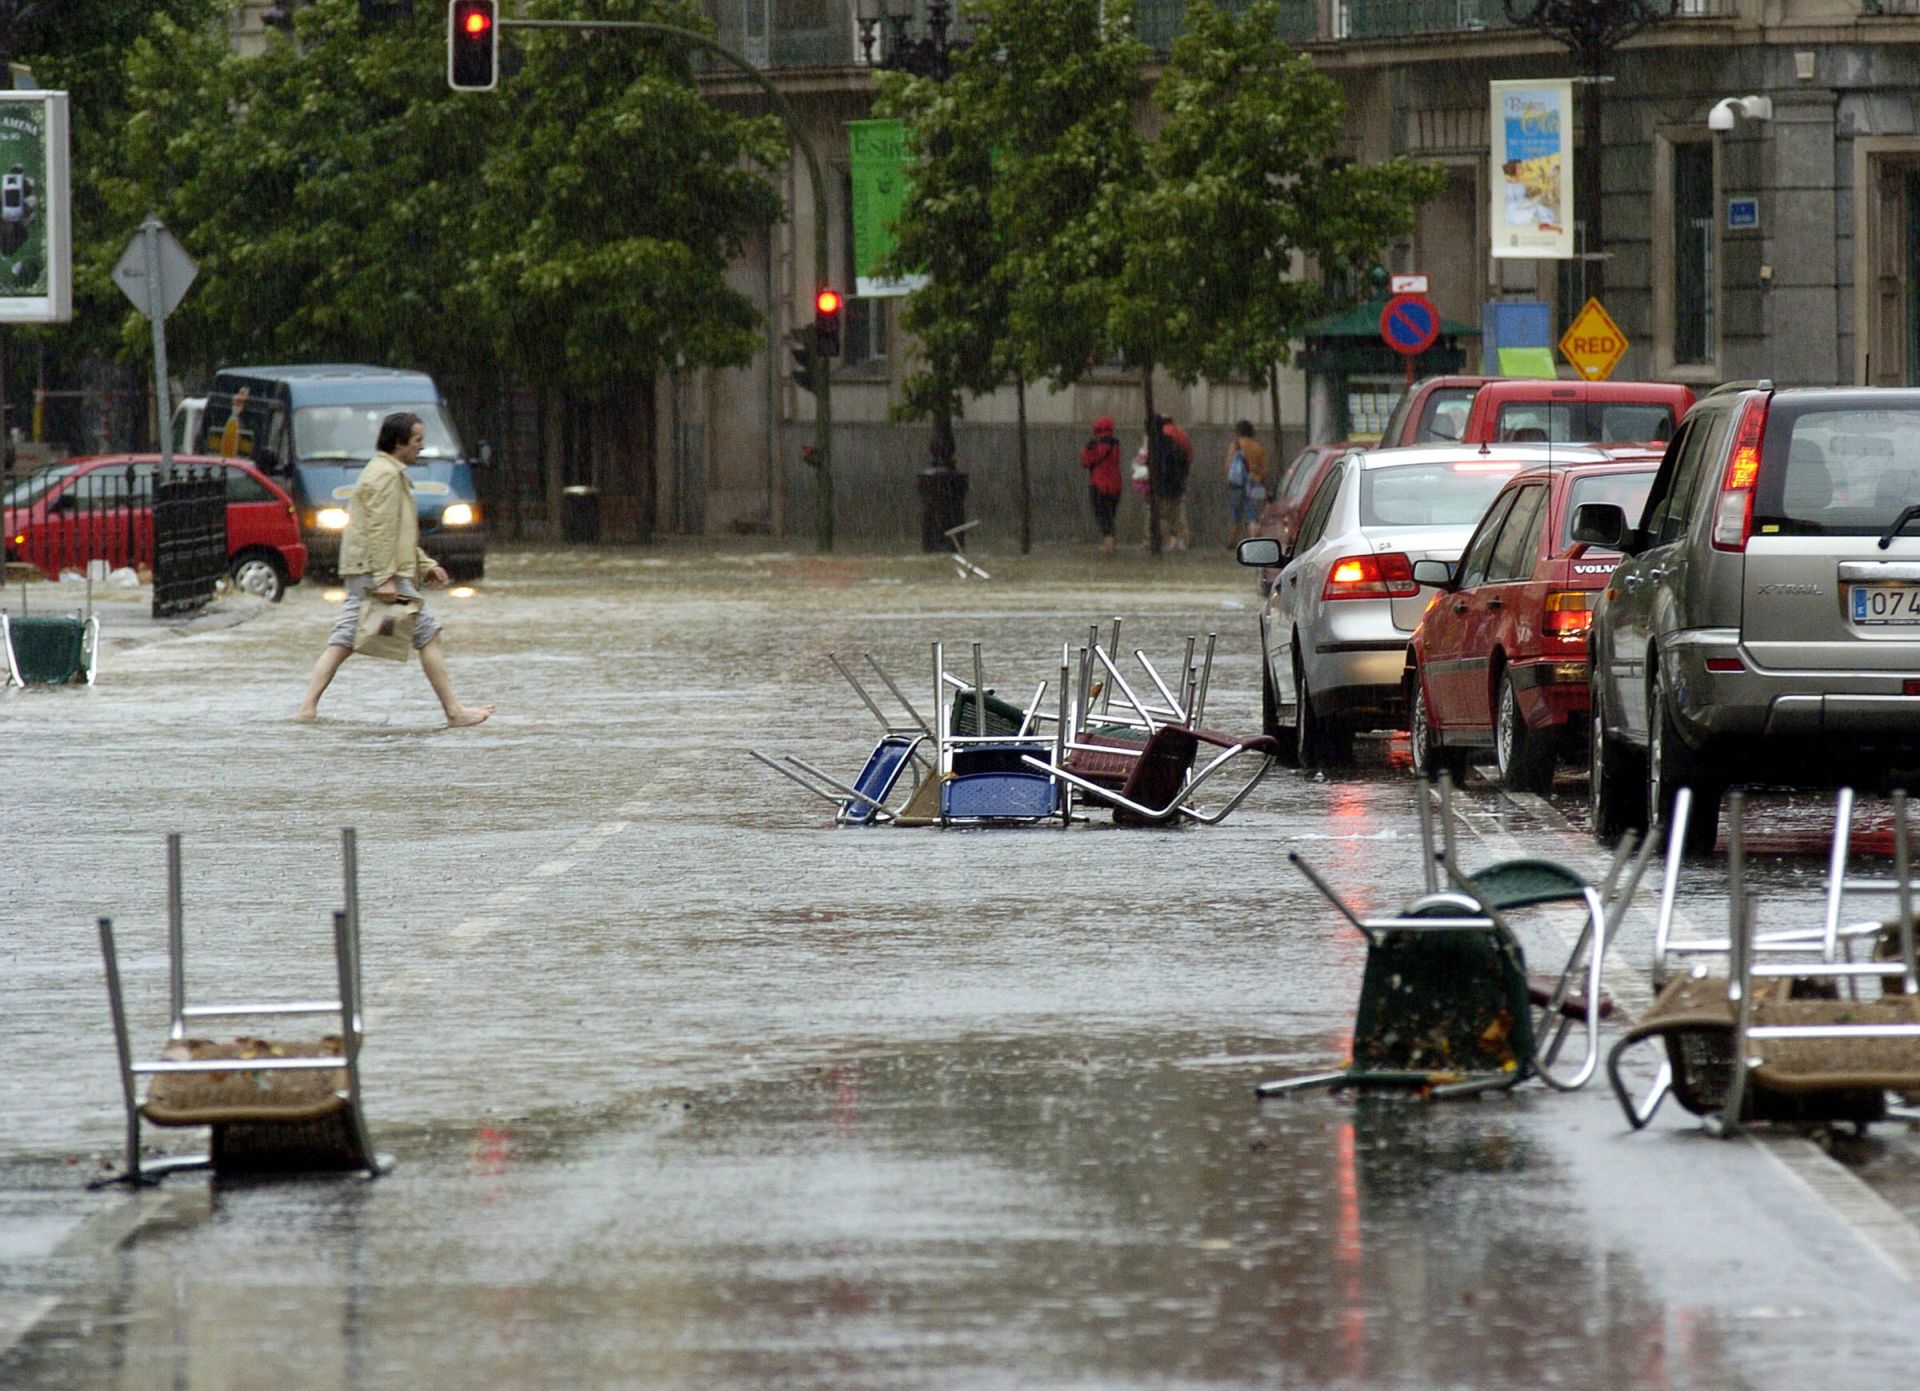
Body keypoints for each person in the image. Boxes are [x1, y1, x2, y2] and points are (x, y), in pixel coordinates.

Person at [293, 412, 494, 727]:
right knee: (428, 633)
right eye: (417, 441)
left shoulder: (386, 472)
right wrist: (386, 578)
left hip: (369, 569)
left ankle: (306, 708)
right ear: (398, 443)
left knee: (344, 639)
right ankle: (454, 711)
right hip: (377, 572)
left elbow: (397, 532)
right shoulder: (385, 476)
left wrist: (425, 565)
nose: (421, 447)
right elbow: (382, 531)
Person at [1224, 419, 1270, 547]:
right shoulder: (1258, 447)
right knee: (1252, 515)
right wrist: (1258, 477)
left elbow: (1228, 465)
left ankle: (1233, 542)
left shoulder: (1235, 445)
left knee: (1235, 514)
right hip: (1255, 484)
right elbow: (1265, 469)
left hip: (1236, 485)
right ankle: (1253, 541)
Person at [1080, 414, 1122, 551]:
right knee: (1110, 515)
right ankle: (1111, 543)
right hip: (1115, 485)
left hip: (1098, 484)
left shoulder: (1094, 446)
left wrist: (1088, 449)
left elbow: (1085, 462)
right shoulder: (1115, 444)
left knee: (1102, 515)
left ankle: (1108, 545)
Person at [1152, 413, 1193, 551]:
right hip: (1179, 481)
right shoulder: (1182, 434)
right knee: (1180, 514)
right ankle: (1183, 542)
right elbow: (1188, 456)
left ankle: (1169, 543)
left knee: (1164, 517)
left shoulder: (1160, 438)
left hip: (1164, 483)